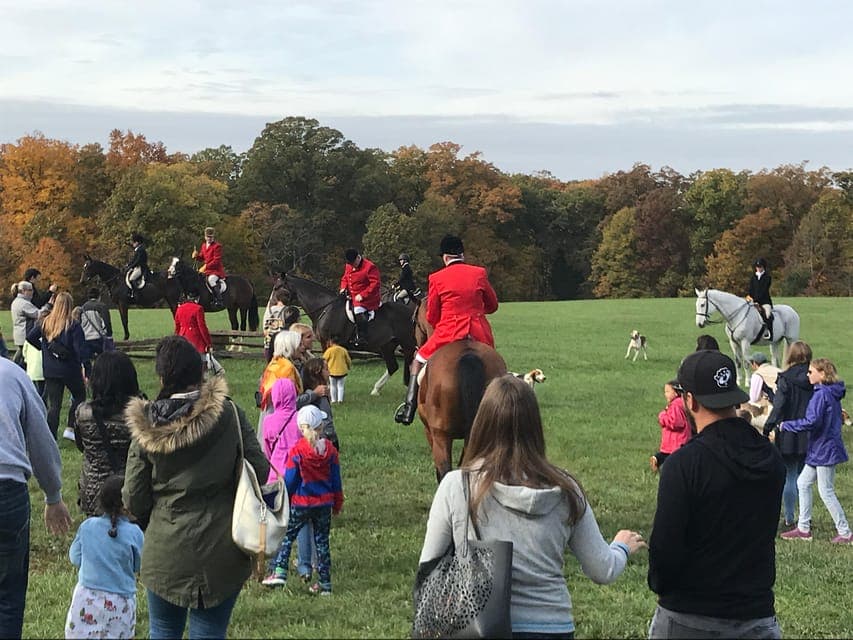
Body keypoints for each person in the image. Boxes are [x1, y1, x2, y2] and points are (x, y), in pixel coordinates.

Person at [420, 375, 645, 638]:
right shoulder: (566, 489)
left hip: (480, 626)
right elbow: (602, 569)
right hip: (554, 627)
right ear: (534, 426)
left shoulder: (457, 485)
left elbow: (429, 571)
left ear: (482, 423)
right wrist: (621, 546)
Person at [123, 336, 270, 639]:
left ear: (161, 376)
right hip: (223, 547)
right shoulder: (228, 414)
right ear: (200, 370)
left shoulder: (146, 427)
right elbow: (262, 470)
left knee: (162, 630)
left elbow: (134, 498)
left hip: (166, 546)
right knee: (210, 631)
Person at [648, 349, 785, 639]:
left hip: (689, 615)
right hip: (756, 614)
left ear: (690, 400)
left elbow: (664, 551)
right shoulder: (771, 458)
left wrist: (662, 586)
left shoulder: (683, 465)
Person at [0, 355, 72, 638]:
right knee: (7, 597)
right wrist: (53, 495)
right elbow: (41, 440)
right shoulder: (13, 375)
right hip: (7, 490)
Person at [395, 234, 499, 425]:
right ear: (462, 254)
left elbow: (432, 315)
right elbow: (493, 306)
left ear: (444, 257)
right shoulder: (479, 273)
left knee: (417, 361)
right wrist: (475, 312)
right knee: (496, 365)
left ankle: (408, 408)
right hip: (478, 332)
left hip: (448, 332)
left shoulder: (436, 278)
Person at [263, 405, 343, 595]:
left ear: (301, 428)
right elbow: (336, 480)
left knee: (288, 536)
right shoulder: (330, 451)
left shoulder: (297, 451)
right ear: (320, 427)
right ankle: (325, 584)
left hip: (301, 502)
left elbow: (291, 480)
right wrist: (337, 501)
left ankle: (280, 572)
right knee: (322, 542)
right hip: (323, 504)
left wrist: (284, 499)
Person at [779, 358, 851, 544]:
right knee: (803, 483)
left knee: (826, 491)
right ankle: (803, 529)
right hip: (821, 447)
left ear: (822, 374)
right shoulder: (829, 392)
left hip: (824, 449)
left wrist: (787, 425)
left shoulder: (821, 395)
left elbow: (811, 422)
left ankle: (845, 532)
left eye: (811, 372)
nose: (807, 375)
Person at [65, 476, 144, 639]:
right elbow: (139, 565)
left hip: (86, 598)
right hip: (120, 602)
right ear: (128, 504)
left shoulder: (87, 526)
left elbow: (74, 557)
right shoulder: (135, 532)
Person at [74, 351, 140, 517]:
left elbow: (81, 446)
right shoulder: (140, 415)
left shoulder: (83, 413)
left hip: (94, 492)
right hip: (130, 489)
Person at [763, 340, 813, 527]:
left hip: (789, 432)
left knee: (790, 475)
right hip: (810, 431)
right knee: (805, 477)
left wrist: (768, 426)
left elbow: (780, 406)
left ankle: (790, 516)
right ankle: (805, 516)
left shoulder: (785, 378)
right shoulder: (814, 379)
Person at [26, 292, 88, 441]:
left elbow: (30, 337)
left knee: (54, 405)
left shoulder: (45, 322)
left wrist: (44, 348)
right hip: (69, 369)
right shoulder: (73, 325)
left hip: (51, 370)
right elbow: (80, 351)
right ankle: (71, 426)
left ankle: (50, 437)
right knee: (79, 396)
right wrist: (87, 368)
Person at [338, 248, 381, 347]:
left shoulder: (370, 267)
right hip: (352, 296)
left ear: (358, 257)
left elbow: (375, 284)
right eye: (350, 264)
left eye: (353, 263)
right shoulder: (349, 265)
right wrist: (343, 288)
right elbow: (345, 278)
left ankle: (362, 337)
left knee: (358, 310)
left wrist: (362, 295)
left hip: (368, 298)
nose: (352, 266)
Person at [10, 280, 54, 368]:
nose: (32, 293)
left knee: (20, 357)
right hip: (25, 333)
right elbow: (38, 314)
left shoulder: (17, 301)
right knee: (23, 360)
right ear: (23, 291)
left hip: (20, 333)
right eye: (30, 290)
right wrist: (49, 305)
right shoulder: (23, 304)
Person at [650, 380, 690, 473]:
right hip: (678, 438)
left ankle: (658, 461)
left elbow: (675, 422)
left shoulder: (676, 405)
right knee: (670, 455)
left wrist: (662, 417)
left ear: (676, 393)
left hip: (676, 439)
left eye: (668, 391)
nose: (665, 394)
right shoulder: (682, 403)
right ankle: (659, 461)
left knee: (671, 455)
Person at [302, 357, 339, 451]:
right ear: (317, 373)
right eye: (326, 369)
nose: (329, 373)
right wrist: (332, 437)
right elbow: (326, 419)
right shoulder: (319, 395)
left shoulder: (316, 393)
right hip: (322, 439)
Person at [80, 287, 113, 377]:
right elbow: (106, 323)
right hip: (99, 338)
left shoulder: (83, 308)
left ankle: (90, 378)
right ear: (99, 296)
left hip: (86, 338)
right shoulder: (102, 306)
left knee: (88, 363)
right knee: (103, 362)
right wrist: (109, 335)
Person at [192, 227, 226, 307]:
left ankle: (219, 300)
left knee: (211, 280)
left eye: (211, 237)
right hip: (206, 270)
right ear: (205, 237)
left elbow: (216, 261)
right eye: (208, 237)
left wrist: (206, 266)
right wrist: (196, 256)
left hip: (216, 270)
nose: (209, 238)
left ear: (213, 237)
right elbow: (202, 257)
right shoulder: (204, 245)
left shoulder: (217, 246)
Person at [174, 290, 212, 356]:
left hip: (182, 336)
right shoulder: (198, 308)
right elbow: (202, 327)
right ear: (198, 298)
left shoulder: (179, 308)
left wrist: (176, 339)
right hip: (195, 338)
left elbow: (177, 327)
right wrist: (208, 342)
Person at [747, 257, 773, 340]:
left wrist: (757, 301)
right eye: (757, 267)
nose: (758, 268)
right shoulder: (753, 277)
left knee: (767, 314)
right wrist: (750, 298)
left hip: (764, 301)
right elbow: (751, 290)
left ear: (763, 267)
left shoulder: (767, 277)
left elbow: (764, 291)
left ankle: (768, 332)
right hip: (753, 301)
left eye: (760, 267)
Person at [262, 289, 289, 363]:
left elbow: (264, 327)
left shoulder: (269, 310)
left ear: (277, 298)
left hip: (268, 342)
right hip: (282, 343)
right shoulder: (287, 310)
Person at [323, 335, 351, 404]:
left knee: (332, 386)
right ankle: (340, 400)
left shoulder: (329, 350)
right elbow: (348, 360)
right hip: (342, 371)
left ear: (331, 342)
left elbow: (324, 359)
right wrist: (348, 366)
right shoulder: (343, 350)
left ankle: (333, 400)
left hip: (332, 371)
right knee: (341, 386)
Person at [124, 233, 149, 300]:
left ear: (137, 242)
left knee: (131, 279)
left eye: (133, 242)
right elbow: (133, 260)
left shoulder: (141, 250)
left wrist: (130, 266)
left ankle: (136, 294)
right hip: (136, 267)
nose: (132, 243)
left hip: (140, 267)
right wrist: (128, 264)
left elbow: (138, 261)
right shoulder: (138, 250)